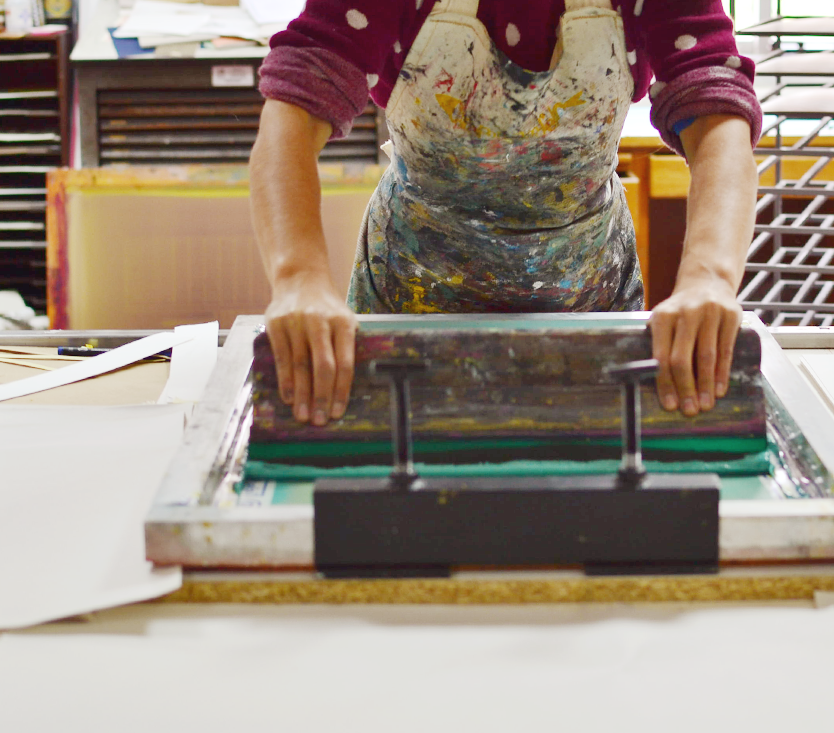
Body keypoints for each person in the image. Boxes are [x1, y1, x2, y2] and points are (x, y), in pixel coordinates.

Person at [251, 0, 760, 427]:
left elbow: (717, 116)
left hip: (590, 308)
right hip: (407, 305)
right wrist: (298, 277)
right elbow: (291, 117)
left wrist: (709, 278)